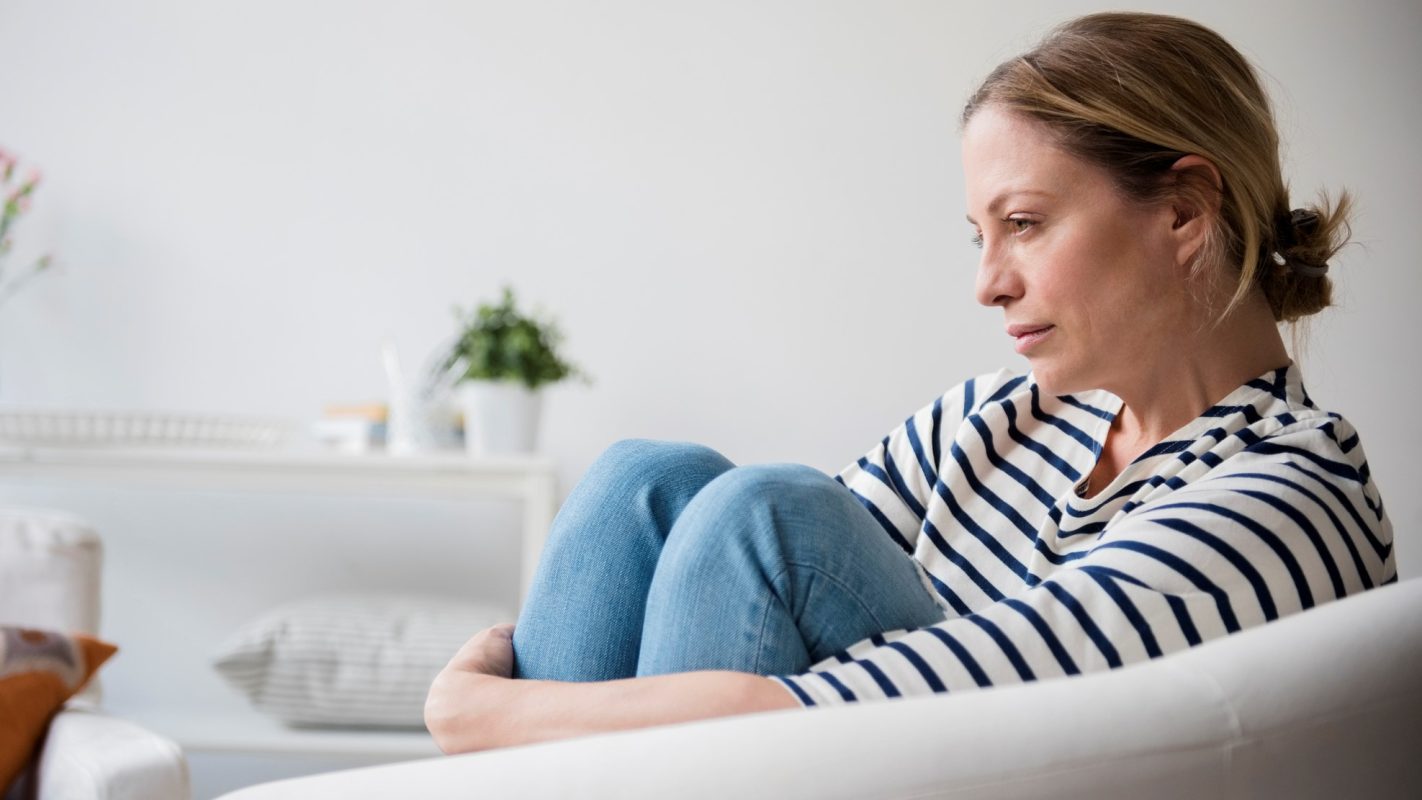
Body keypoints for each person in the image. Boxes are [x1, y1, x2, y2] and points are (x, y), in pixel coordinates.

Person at [424, 11, 1395, 752]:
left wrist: (490, 711)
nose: (988, 283)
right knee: (649, 478)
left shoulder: (1288, 495)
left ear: (1184, 212)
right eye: (981, 236)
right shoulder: (990, 419)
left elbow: (945, 688)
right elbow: (740, 603)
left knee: (767, 513)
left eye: (1024, 223)